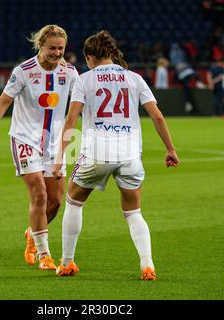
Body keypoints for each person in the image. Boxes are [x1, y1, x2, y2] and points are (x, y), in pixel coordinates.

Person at [52, 30, 179, 280]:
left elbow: (70, 121)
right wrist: (170, 149)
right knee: (133, 213)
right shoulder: (134, 78)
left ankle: (67, 263)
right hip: (130, 154)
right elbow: (157, 116)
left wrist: (59, 158)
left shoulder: (85, 80)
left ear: (89, 57)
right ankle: (147, 265)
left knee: (74, 202)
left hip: (96, 152)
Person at [0, 25, 79, 271]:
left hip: (55, 143)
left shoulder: (71, 73)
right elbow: (3, 102)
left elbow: (80, 104)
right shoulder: (23, 71)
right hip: (25, 138)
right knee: (39, 194)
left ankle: (32, 233)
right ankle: (44, 254)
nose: (57, 53)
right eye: (52, 48)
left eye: (61, 48)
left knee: (55, 202)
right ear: (41, 46)